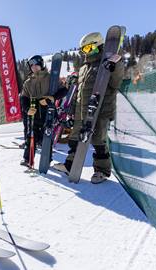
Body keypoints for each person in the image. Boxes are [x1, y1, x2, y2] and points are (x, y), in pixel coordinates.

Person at [53, 32, 123, 184]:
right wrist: (72, 112)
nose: (87, 52)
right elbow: (77, 92)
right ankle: (70, 165)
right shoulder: (84, 68)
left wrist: (114, 67)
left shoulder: (107, 61)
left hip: (101, 109)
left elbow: (116, 82)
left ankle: (101, 171)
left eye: (90, 47)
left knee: (98, 140)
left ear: (98, 45)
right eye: (84, 49)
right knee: (74, 138)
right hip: (81, 111)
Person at [20, 55, 67, 167]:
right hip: (34, 112)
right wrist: (27, 109)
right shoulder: (28, 82)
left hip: (48, 110)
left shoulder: (51, 78)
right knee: (30, 135)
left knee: (47, 136)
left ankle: (47, 159)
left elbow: (64, 90)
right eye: (31, 66)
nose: (34, 67)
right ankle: (28, 160)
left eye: (36, 64)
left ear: (41, 64)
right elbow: (23, 98)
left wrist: (52, 98)